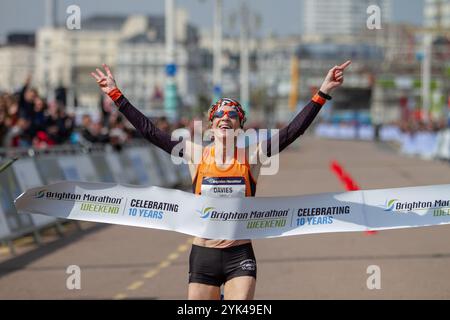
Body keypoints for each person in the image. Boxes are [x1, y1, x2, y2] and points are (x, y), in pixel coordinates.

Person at [90, 60, 351, 300]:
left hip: (239, 255)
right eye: (219, 115)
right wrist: (116, 95)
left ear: (239, 127)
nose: (226, 118)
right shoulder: (195, 154)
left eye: (232, 115)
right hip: (203, 255)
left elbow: (293, 131)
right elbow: (151, 132)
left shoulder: (252, 157)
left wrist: (323, 92)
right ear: (211, 126)